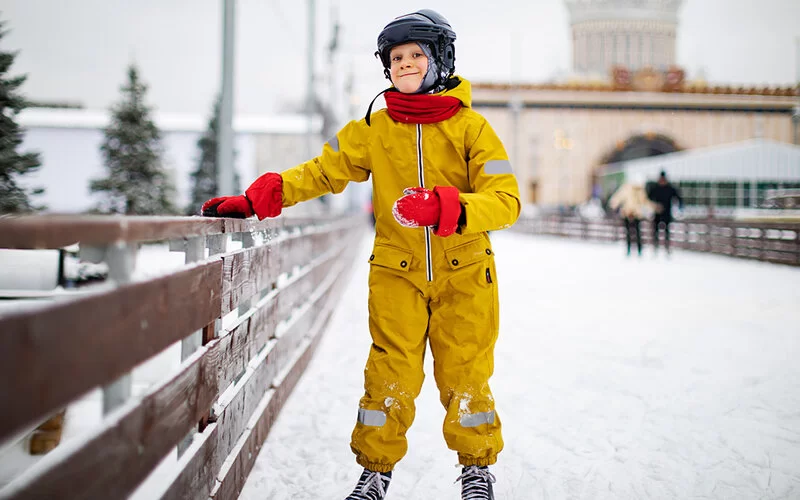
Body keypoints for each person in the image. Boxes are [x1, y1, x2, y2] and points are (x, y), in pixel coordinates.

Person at [201, 9, 521, 500]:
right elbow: (323, 170)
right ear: (386, 66)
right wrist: (265, 195)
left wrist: (445, 205)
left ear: (441, 61)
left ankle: (476, 470)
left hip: (465, 272)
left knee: (466, 373)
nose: (407, 64)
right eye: (397, 58)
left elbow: (506, 200)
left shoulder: (473, 129)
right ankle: (375, 473)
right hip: (397, 272)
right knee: (389, 373)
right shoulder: (373, 129)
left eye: (418, 55)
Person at [608, 174, 656, 256]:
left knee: (637, 232)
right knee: (628, 232)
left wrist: (653, 208)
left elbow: (644, 201)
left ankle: (639, 250)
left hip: (637, 214)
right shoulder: (626, 189)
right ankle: (629, 249)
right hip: (627, 213)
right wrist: (613, 204)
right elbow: (618, 197)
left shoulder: (641, 191)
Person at [647, 170, 684, 254]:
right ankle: (655, 246)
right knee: (656, 230)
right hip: (657, 212)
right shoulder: (655, 188)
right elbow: (648, 198)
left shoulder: (670, 188)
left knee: (667, 231)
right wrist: (654, 206)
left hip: (667, 212)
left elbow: (678, 198)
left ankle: (667, 247)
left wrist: (680, 207)